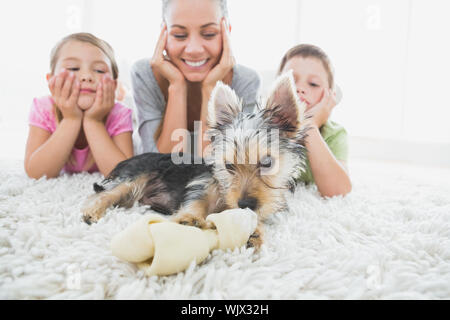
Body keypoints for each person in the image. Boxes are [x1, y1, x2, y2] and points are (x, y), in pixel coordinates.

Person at [131, 0, 261, 156]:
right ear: (163, 34)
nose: (194, 49)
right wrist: (177, 86)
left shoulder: (246, 81)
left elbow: (217, 167)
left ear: (227, 31)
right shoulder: (144, 74)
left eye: (208, 34)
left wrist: (210, 89)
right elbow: (155, 164)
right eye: (179, 35)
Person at [25, 33, 134, 179]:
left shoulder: (120, 113)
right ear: (51, 81)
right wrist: (71, 119)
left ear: (113, 85)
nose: (86, 76)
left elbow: (125, 176)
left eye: (99, 70)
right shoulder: (44, 108)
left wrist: (93, 121)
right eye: (73, 68)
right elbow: (36, 174)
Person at [278, 44, 352, 197]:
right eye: (290, 80)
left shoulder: (334, 133)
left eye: (313, 84)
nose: (300, 89)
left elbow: (338, 191)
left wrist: (309, 126)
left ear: (330, 97)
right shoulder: (264, 126)